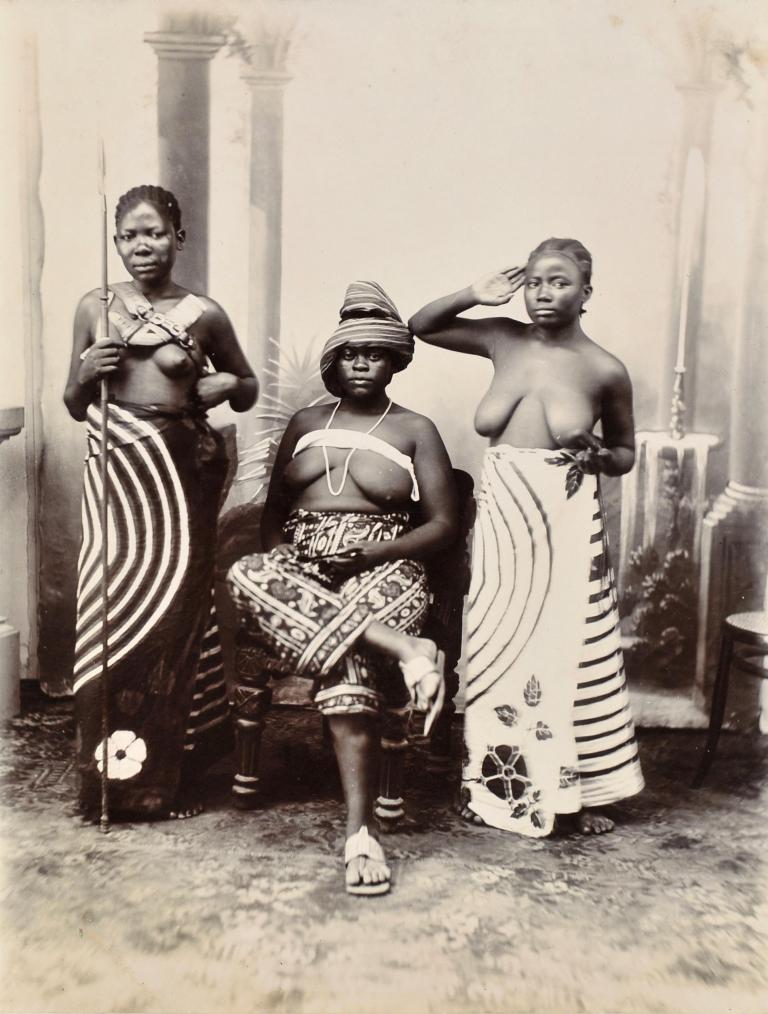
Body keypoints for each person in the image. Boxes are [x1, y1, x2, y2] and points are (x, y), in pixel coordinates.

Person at [227, 280, 457, 894]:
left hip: (388, 567)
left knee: (349, 656)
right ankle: (409, 651)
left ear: (395, 360)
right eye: (351, 352)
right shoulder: (305, 422)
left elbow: (443, 523)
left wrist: (380, 549)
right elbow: (273, 509)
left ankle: (360, 835)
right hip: (302, 567)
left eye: (376, 353)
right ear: (335, 359)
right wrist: (284, 556)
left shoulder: (414, 428)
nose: (362, 362)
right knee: (246, 572)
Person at [409, 238, 644, 838]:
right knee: (493, 645)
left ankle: (575, 793)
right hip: (502, 512)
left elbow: (623, 454)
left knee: (567, 649)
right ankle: (491, 788)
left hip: (564, 513)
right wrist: (473, 293)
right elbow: (421, 326)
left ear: (586, 292)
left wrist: (596, 456)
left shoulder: (604, 368)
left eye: (559, 282)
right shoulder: (502, 338)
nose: (544, 292)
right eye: (535, 281)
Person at [64, 184, 258, 821]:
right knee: (110, 614)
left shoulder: (204, 313)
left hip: (179, 476)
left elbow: (248, 386)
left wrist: (226, 381)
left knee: (176, 619)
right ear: (115, 243)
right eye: (127, 236)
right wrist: (90, 370)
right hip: (117, 471)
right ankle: (107, 782)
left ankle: (165, 781)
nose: (139, 246)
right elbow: (72, 403)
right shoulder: (94, 307)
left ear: (178, 236)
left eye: (152, 233)